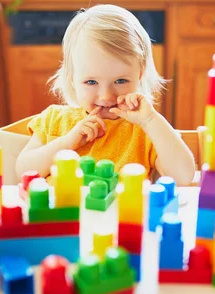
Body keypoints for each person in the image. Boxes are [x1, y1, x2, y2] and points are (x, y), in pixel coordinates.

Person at [15, 4, 195, 186]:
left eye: (120, 81)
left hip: (122, 214)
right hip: (63, 215)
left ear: (139, 75)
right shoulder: (55, 121)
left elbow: (183, 177)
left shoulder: (146, 130)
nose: (106, 96)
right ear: (72, 79)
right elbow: (23, 172)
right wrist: (66, 143)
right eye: (91, 82)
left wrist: (150, 121)